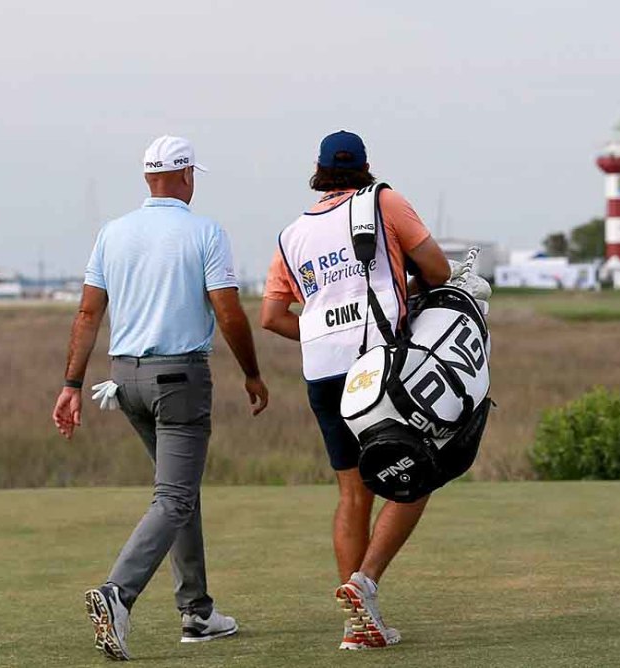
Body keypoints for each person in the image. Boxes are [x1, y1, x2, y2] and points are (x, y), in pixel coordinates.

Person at [51, 135, 269, 661]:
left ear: (149, 177)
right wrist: (253, 374)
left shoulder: (113, 233)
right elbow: (228, 310)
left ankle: (197, 612)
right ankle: (117, 594)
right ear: (187, 175)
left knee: (179, 492)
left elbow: (87, 314)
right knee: (174, 497)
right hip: (180, 383)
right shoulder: (206, 232)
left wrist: (72, 385)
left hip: (123, 384)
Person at [260, 130, 450, 650]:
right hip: (378, 364)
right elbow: (438, 271)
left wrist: (325, 331)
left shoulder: (292, 233)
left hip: (321, 371)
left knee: (352, 493)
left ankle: (358, 627)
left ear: (319, 170)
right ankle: (364, 584)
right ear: (365, 166)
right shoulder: (383, 199)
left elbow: (272, 316)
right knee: (419, 473)